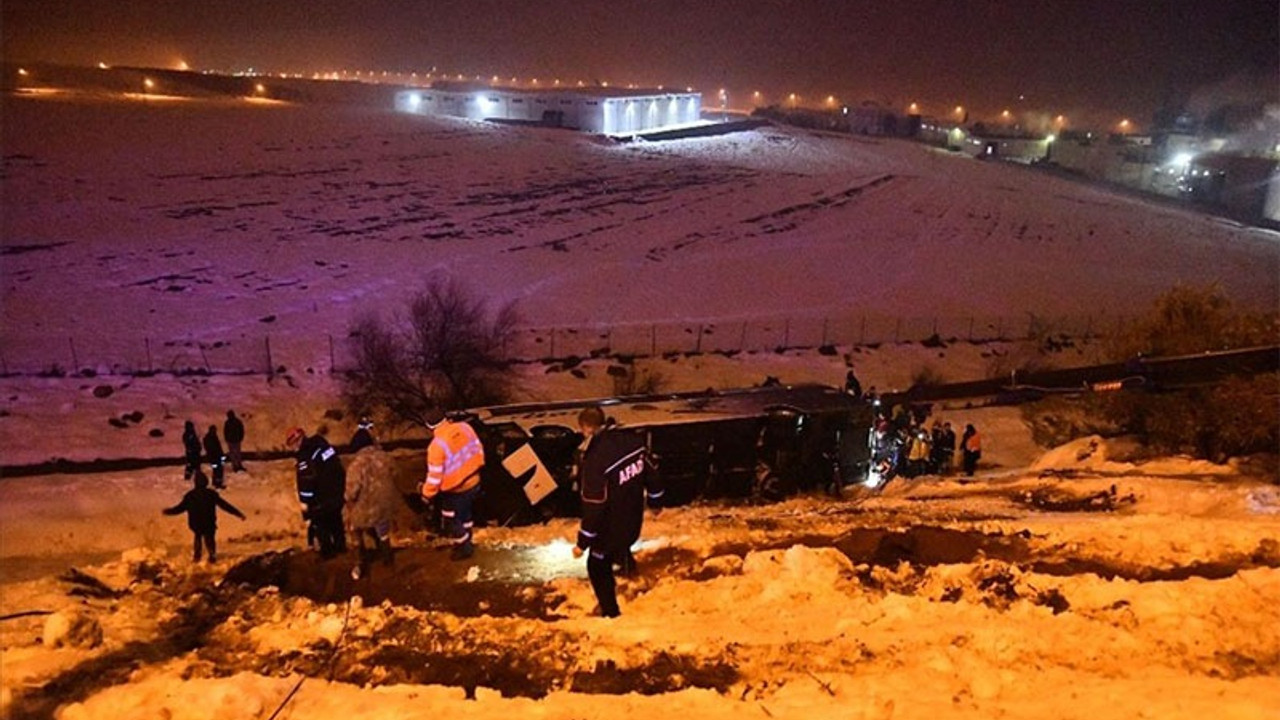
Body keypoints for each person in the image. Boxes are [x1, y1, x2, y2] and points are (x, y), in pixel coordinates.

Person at [573, 406, 664, 618]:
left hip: (610, 526)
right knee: (622, 544)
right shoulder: (633, 443)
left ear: (586, 428)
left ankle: (610, 612)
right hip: (633, 519)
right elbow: (653, 473)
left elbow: (594, 504)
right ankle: (629, 570)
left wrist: (583, 542)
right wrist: (656, 500)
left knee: (596, 565)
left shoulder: (595, 460)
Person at [420, 406, 485, 561]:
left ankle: (464, 547)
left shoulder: (436, 446)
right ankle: (467, 539)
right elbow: (478, 448)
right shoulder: (465, 427)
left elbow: (434, 478)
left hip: (456, 489)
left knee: (450, 519)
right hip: (475, 481)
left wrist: (426, 493)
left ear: (429, 426)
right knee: (465, 514)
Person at [343, 426, 399, 580]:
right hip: (386, 505)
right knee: (382, 527)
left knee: (352, 526)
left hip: (366, 508)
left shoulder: (356, 465)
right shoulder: (386, 457)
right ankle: (387, 556)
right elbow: (396, 473)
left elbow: (351, 492)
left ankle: (359, 563)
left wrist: (348, 500)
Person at [286, 426, 347, 558]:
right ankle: (342, 551)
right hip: (335, 494)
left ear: (297, 440)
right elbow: (338, 468)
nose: (293, 448)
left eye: (292, 444)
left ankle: (328, 556)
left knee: (321, 527)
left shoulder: (305, 456)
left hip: (320, 499)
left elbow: (306, 483)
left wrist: (306, 504)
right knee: (336, 523)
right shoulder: (322, 445)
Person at [162, 469, 245, 563]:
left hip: (195, 523)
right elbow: (225, 506)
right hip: (209, 522)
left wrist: (168, 512)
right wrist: (238, 513)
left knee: (198, 537)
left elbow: (179, 509)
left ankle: (197, 557)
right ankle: (212, 556)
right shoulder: (211, 494)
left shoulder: (190, 495)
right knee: (209, 538)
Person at [203, 425, 226, 489]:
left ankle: (217, 482)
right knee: (217, 470)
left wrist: (222, 456)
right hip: (214, 458)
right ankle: (217, 483)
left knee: (218, 470)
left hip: (216, 457)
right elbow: (213, 449)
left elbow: (218, 447)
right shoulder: (209, 438)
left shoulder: (213, 437)